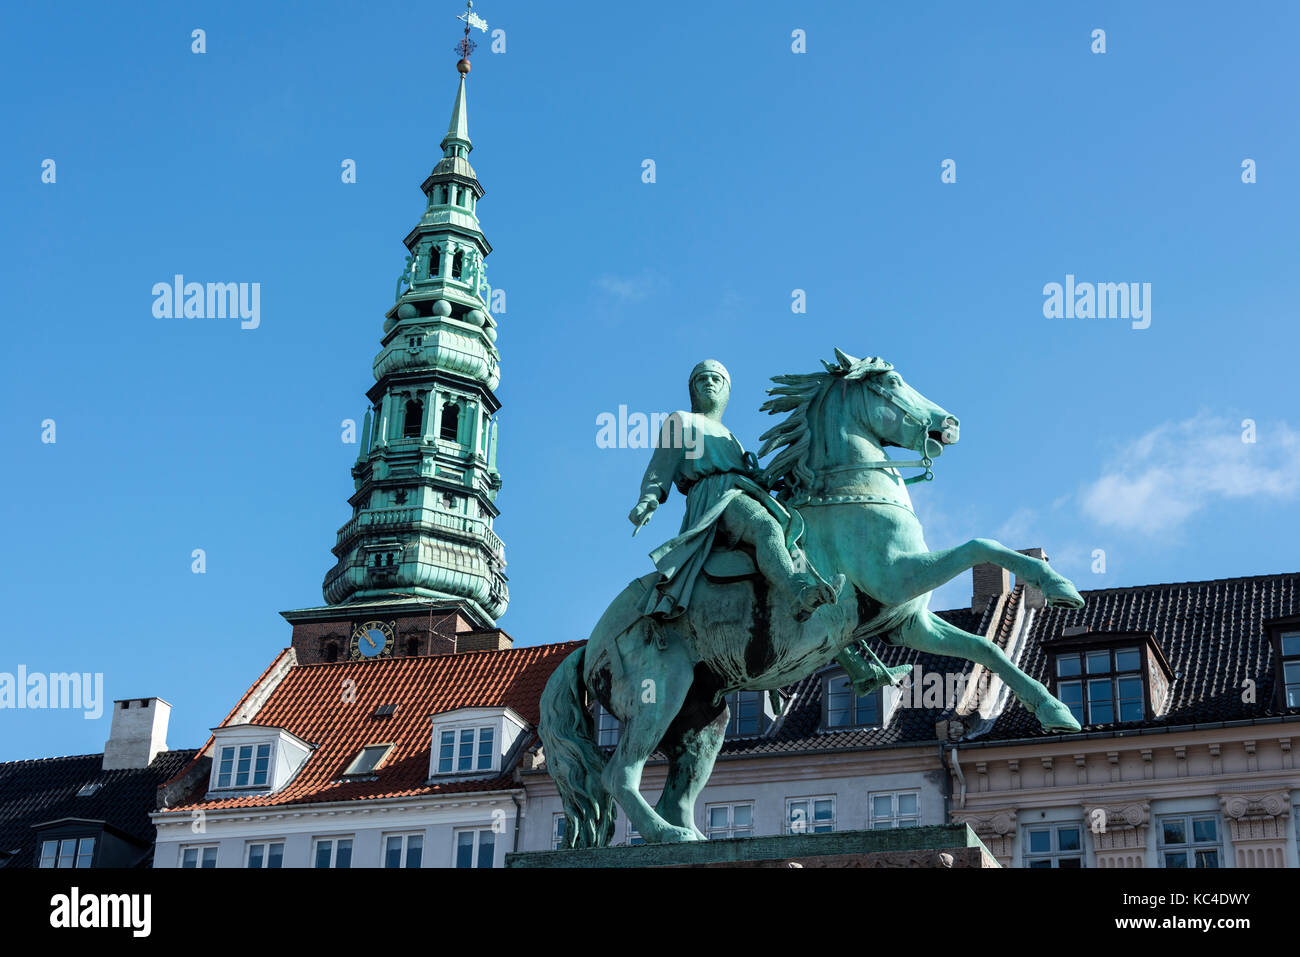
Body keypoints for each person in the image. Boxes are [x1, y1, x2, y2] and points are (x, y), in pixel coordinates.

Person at [629, 359, 844, 622]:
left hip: (742, 491)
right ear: (692, 389)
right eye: (702, 379)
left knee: (793, 529)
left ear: (726, 391)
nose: (709, 382)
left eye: (715, 379)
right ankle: (798, 594)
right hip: (714, 496)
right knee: (765, 526)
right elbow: (660, 465)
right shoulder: (682, 421)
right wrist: (648, 498)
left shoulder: (732, 438)